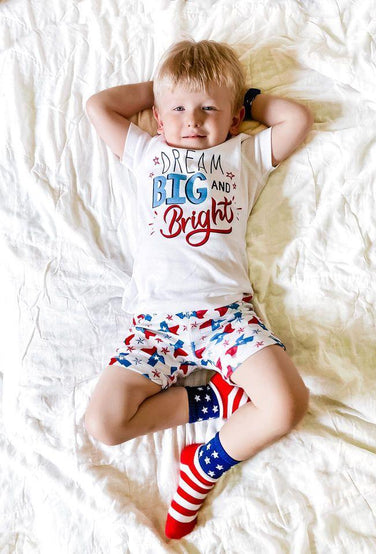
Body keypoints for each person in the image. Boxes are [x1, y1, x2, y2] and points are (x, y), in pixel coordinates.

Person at [84, 39, 312, 540]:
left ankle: (204, 464)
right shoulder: (147, 151)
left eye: (209, 109)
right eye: (180, 110)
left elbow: (296, 119)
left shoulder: (242, 154)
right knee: (104, 426)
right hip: (155, 328)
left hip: (225, 319)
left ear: (232, 121)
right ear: (159, 119)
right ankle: (215, 400)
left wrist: (242, 99)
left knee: (288, 404)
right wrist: (165, 90)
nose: (193, 119)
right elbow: (98, 105)